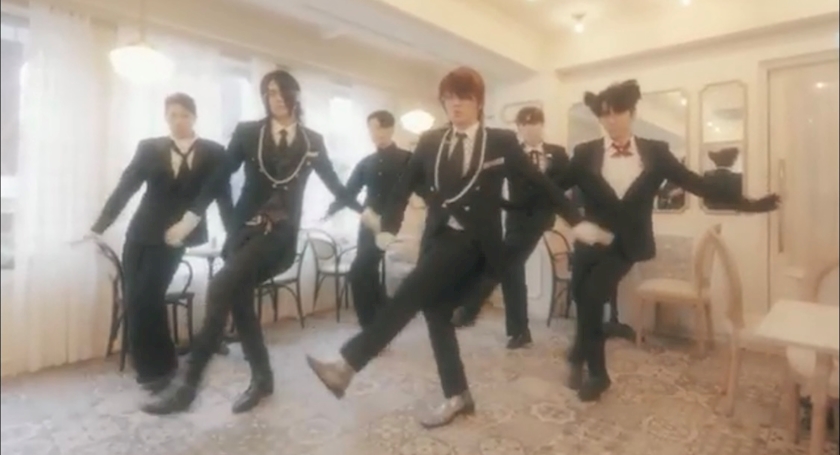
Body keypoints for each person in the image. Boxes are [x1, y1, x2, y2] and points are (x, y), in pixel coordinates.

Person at [305, 66, 612, 429]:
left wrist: (576, 220)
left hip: (475, 244)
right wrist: (387, 230)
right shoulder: (430, 142)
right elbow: (403, 189)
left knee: (409, 293)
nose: (455, 104)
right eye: (449, 98)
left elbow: (541, 184)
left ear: (478, 102)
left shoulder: (500, 142)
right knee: (436, 316)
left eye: (463, 97)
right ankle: (458, 395)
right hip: (437, 240)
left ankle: (346, 366)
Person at [143, 70, 362, 415]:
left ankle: (188, 386)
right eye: (270, 92)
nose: (277, 98)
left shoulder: (313, 141)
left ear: (295, 96)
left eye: (283, 92)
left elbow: (335, 185)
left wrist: (366, 213)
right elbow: (219, 177)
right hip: (242, 234)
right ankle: (263, 378)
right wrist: (191, 217)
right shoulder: (248, 133)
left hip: (279, 236)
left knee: (221, 286)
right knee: (240, 301)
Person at [557, 79, 779, 402]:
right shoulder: (584, 152)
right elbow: (554, 188)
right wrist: (575, 222)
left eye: (618, 112)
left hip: (625, 245)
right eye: (604, 114)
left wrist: (751, 205)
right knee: (582, 297)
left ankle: (597, 374)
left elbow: (697, 184)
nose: (611, 120)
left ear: (632, 113)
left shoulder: (656, 152)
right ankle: (579, 354)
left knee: (591, 297)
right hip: (589, 242)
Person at [89, 93, 233, 393]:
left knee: (148, 295)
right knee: (135, 298)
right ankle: (156, 365)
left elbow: (222, 196)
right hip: (139, 232)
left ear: (194, 117)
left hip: (175, 236)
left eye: (184, 115)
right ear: (166, 118)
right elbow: (126, 187)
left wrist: (234, 234)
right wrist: (100, 225)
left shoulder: (214, 152)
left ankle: (158, 369)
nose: (178, 121)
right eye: (172, 116)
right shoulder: (149, 148)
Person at [451, 106, 572, 350]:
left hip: (541, 218)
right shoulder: (510, 153)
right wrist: (504, 205)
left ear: (542, 125)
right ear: (519, 128)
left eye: (535, 123)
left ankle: (470, 309)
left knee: (505, 264)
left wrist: (570, 213)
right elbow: (491, 184)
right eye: (524, 124)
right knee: (510, 270)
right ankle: (518, 331)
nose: (530, 128)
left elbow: (563, 185)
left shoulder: (558, 153)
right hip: (517, 219)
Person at [324, 110, 412, 328]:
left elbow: (422, 188)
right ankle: (381, 316)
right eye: (372, 128)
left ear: (390, 129)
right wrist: (333, 209)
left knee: (359, 271)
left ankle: (369, 324)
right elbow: (348, 193)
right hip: (367, 222)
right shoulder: (366, 162)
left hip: (389, 223)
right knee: (368, 270)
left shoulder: (407, 159)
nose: (376, 133)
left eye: (380, 127)